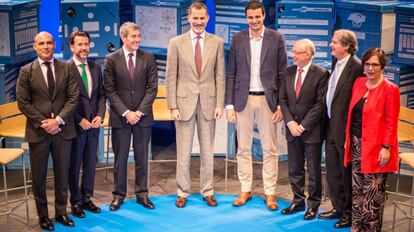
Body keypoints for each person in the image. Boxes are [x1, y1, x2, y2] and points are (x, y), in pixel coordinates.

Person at [225, 0, 287, 210]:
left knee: (270, 149)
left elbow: (282, 74)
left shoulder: (276, 38)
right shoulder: (237, 38)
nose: (254, 20)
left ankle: (270, 193)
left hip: (268, 100)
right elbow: (231, 72)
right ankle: (245, 189)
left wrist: (281, 105)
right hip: (243, 99)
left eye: (257, 17)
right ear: (246, 18)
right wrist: (229, 105)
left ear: (264, 16)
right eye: (250, 17)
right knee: (243, 148)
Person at [16, 31, 78, 231]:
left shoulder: (66, 68)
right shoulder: (26, 71)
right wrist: (45, 122)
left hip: (63, 130)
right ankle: (43, 216)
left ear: (54, 45)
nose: (45, 47)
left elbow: (73, 98)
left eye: (49, 43)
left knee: (63, 175)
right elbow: (23, 103)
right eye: (41, 43)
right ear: (35, 47)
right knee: (39, 177)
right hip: (39, 132)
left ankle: (61, 212)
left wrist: (58, 120)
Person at [166, 1, 225, 208]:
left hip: (209, 103)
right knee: (183, 151)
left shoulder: (217, 42)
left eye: (202, 18)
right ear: (189, 18)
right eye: (195, 18)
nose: (199, 22)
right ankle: (182, 192)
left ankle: (207, 190)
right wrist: (172, 106)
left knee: (207, 151)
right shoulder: (176, 42)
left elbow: (220, 76)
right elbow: (170, 76)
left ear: (207, 19)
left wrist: (220, 104)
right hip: (183, 104)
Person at [104, 22, 158, 211]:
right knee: (120, 159)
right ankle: (119, 196)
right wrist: (127, 113)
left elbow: (152, 88)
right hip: (121, 118)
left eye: (139, 36)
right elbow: (109, 90)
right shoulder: (111, 59)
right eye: (133, 37)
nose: (137, 40)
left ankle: (142, 194)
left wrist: (139, 112)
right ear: (123, 38)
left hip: (143, 118)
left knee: (142, 158)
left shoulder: (149, 57)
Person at [344, 48, 399, 231]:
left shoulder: (390, 89)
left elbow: (391, 122)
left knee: (372, 195)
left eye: (375, 64)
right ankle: (356, 228)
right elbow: (353, 115)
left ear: (382, 66)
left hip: (377, 148)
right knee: (357, 191)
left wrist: (386, 147)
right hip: (357, 145)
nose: (370, 68)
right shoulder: (359, 83)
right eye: (367, 64)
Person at [318, 29, 363, 229]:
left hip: (344, 130)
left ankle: (349, 213)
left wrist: (349, 133)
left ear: (346, 46)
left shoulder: (357, 67)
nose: (331, 45)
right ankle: (337, 207)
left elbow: (357, 105)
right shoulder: (337, 61)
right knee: (333, 171)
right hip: (331, 125)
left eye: (334, 42)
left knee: (345, 173)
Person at [279, 39, 329, 219]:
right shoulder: (288, 72)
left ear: (307, 55)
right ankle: (298, 201)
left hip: (311, 131)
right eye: (292, 51)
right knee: (294, 168)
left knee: (314, 170)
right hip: (292, 130)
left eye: (296, 52)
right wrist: (290, 123)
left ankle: (313, 205)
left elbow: (320, 104)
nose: (292, 55)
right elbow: (282, 99)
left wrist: (303, 126)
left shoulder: (322, 74)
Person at [67, 31, 105, 218]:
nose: (83, 48)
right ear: (72, 47)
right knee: (74, 166)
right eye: (79, 44)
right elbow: (62, 101)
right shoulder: (64, 69)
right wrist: (79, 119)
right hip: (75, 127)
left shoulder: (96, 68)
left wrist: (99, 115)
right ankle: (75, 202)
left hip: (93, 126)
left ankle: (87, 198)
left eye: (86, 44)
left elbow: (101, 95)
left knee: (90, 164)